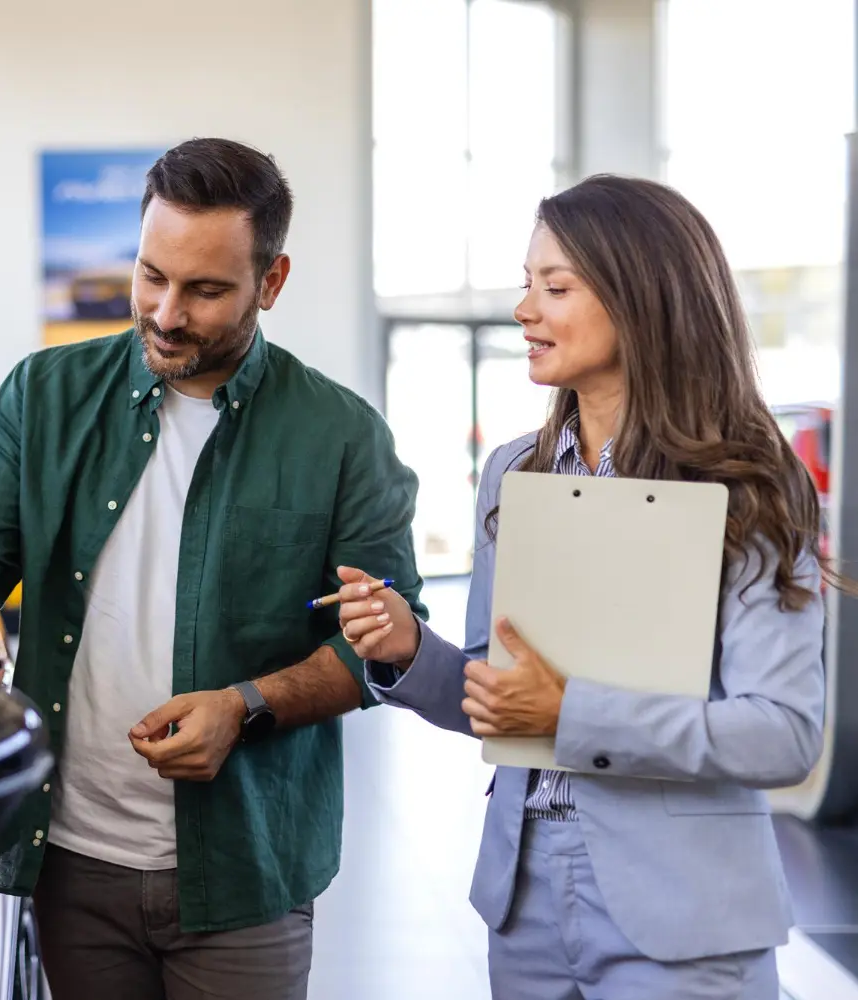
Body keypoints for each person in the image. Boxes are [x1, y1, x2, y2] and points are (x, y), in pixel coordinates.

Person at [0, 137, 424, 1000]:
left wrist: (246, 706)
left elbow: (378, 649)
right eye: (151, 275)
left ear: (270, 284)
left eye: (204, 290)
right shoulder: (42, 398)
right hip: (75, 862)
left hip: (247, 871)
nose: (164, 312)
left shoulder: (341, 437)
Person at [338, 174, 832, 1000]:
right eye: (526, 284)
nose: (524, 310)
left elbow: (782, 735)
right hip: (524, 898)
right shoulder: (513, 474)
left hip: (685, 913)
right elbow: (497, 695)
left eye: (554, 287)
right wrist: (406, 649)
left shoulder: (748, 483)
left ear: (642, 299)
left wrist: (570, 715)